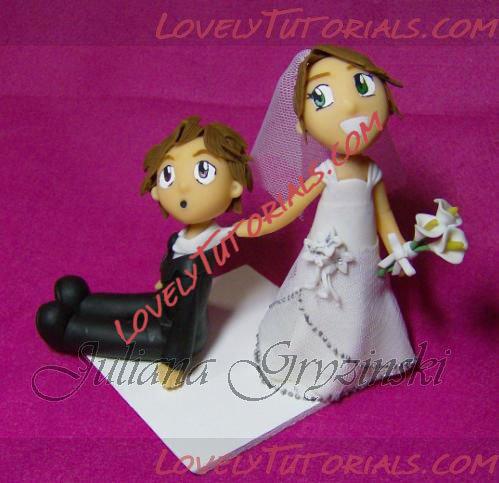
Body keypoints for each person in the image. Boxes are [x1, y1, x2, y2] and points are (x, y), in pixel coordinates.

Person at [236, 45, 417, 402]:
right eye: (321, 96)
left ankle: (364, 360)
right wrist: (246, 229)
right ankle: (316, 362)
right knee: (319, 308)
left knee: (362, 308)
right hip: (327, 256)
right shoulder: (325, 172)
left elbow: (385, 218)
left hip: (364, 258)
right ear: (302, 123)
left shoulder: (372, 172)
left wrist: (398, 247)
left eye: (363, 85)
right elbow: (288, 210)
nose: (349, 106)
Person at [36, 116, 253, 390]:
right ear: (156, 191)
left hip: (173, 335)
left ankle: (69, 330)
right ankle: (84, 303)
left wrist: (175, 362)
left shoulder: (195, 264)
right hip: (166, 303)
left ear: (234, 186)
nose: (183, 187)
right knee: (131, 304)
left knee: (119, 334)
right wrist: (166, 284)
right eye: (168, 174)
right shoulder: (180, 240)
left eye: (202, 171)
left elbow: (186, 320)